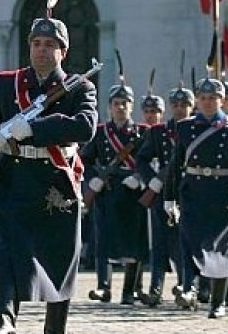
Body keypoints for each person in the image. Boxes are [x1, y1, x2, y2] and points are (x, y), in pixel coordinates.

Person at [0, 17, 97, 334]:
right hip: (16, 178)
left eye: (50, 45)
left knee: (59, 256)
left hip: (56, 182)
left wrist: (36, 128)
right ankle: (4, 322)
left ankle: (54, 327)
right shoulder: (6, 83)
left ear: (62, 51)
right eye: (36, 44)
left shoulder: (80, 87)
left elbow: (85, 126)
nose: (42, 50)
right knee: (8, 252)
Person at [163, 77, 228, 318]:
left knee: (220, 251)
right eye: (203, 98)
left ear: (222, 100)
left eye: (213, 98)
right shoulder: (184, 126)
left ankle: (218, 302)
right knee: (189, 244)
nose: (207, 103)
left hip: (223, 194)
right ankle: (188, 289)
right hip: (193, 193)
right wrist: (169, 197)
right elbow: (176, 166)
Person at [82, 81, 148, 305]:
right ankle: (103, 287)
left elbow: (149, 160)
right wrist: (92, 181)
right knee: (103, 240)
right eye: (116, 103)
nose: (120, 107)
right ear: (109, 107)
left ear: (131, 106)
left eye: (125, 103)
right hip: (107, 190)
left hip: (132, 192)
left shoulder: (142, 133)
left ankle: (129, 291)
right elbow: (86, 160)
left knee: (133, 241)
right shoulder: (100, 132)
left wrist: (139, 177)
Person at [136, 85, 192, 307]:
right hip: (161, 192)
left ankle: (186, 286)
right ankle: (155, 289)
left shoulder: (196, 129)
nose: (180, 109)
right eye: (176, 105)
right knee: (159, 242)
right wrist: (152, 179)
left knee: (185, 241)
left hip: (188, 192)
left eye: (184, 105)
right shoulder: (159, 132)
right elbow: (142, 159)